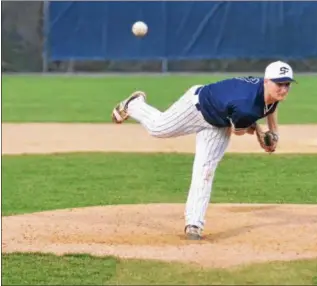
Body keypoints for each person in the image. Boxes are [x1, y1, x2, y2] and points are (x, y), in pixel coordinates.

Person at [111, 61, 297, 240]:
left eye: (287, 84)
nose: (283, 88)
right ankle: (135, 104)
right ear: (266, 81)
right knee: (157, 128)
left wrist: (274, 133)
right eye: (279, 84)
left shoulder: (269, 92)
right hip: (197, 107)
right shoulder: (245, 106)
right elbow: (240, 130)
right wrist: (260, 135)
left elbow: (270, 106)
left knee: (205, 171)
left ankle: (194, 224)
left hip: (219, 121)